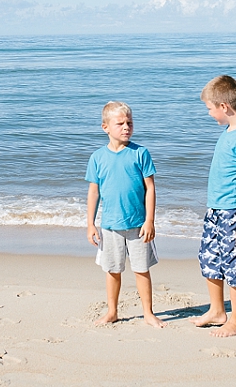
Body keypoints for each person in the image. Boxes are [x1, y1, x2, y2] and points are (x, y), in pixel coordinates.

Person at [86, 101, 165, 328]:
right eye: (120, 123)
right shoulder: (98, 157)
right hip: (110, 225)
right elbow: (94, 192)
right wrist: (90, 224)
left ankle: (148, 313)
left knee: (141, 269)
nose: (126, 127)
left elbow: (150, 188)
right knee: (113, 269)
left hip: (139, 225)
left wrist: (150, 220)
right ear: (105, 128)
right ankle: (112, 311)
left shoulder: (140, 153)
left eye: (129, 122)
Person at [190, 75, 236, 337]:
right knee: (210, 258)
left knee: (234, 263)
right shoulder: (229, 130)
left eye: (209, 108)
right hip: (216, 208)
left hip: (234, 211)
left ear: (224, 107)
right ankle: (218, 310)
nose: (209, 114)